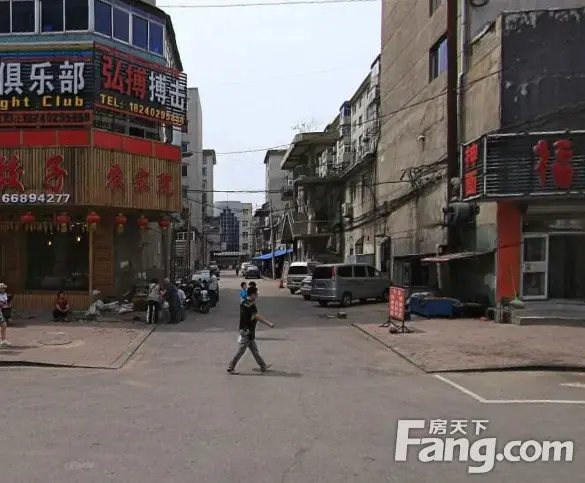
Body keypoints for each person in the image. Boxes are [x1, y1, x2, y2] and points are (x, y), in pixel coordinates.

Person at [227, 286, 274, 374]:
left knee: (254, 350)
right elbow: (256, 316)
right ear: (252, 294)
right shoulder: (251, 305)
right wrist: (269, 323)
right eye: (256, 294)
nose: (257, 296)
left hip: (245, 329)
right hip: (247, 331)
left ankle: (263, 366)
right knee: (241, 351)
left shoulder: (243, 302)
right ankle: (231, 367)